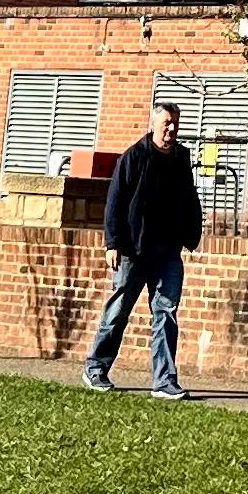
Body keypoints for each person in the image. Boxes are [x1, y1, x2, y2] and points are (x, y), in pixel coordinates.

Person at [86, 99, 207, 398]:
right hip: (133, 249)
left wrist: (191, 232)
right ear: (153, 123)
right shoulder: (133, 157)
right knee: (118, 311)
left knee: (166, 312)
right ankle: (96, 368)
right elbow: (115, 201)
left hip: (167, 251)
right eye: (166, 122)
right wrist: (112, 243)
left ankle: (164, 381)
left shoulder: (181, 158)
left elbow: (189, 197)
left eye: (175, 123)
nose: (172, 128)